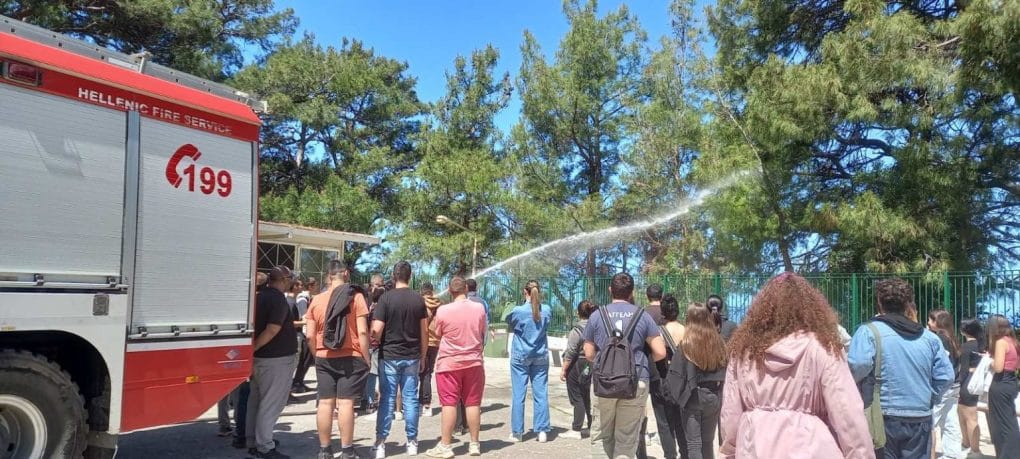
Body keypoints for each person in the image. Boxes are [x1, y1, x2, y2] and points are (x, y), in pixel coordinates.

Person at [722, 272, 874, 459]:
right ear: (810, 309)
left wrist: (729, 451)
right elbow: (846, 412)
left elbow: (731, 412)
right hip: (811, 447)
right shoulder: (822, 348)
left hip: (753, 447)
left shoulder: (744, 352)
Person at [849, 278, 954, 458]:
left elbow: (858, 365)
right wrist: (929, 397)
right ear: (908, 304)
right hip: (920, 414)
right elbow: (946, 376)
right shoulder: (930, 338)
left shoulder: (868, 332)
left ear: (879, 302)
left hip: (882, 415)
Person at [583, 272, 668, 459]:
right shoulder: (642, 316)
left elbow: (588, 352)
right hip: (635, 380)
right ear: (632, 292)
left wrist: (604, 363)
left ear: (610, 290)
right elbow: (660, 352)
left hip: (603, 382)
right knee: (626, 439)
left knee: (601, 435)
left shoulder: (597, 315)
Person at [305, 260, 371, 459]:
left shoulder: (316, 300)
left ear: (328, 275)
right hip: (351, 356)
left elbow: (309, 335)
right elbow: (362, 331)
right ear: (346, 274)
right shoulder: (356, 297)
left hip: (323, 355)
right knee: (346, 404)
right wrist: (366, 357)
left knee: (325, 403)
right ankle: (347, 451)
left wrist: (317, 354)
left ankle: (325, 450)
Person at [424, 276, 488, 458]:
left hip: (449, 363)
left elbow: (438, 333)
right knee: (473, 403)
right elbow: (482, 331)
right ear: (466, 288)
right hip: (474, 361)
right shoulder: (479, 308)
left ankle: (446, 445)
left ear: (450, 291)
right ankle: (474, 444)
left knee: (449, 404)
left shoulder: (443, 311)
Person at [371, 261, 428, 458]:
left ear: (394, 276)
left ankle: (380, 443)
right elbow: (424, 331)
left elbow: (377, 330)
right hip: (412, 355)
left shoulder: (385, 299)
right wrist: (423, 355)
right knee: (410, 399)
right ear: (410, 276)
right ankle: (412, 442)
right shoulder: (418, 299)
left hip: (389, 355)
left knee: (387, 398)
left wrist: (373, 339)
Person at [245, 266, 298, 458]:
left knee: (255, 401)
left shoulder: (259, 297)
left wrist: (252, 351)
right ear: (283, 280)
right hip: (276, 360)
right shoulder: (278, 299)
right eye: (290, 278)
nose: (292, 281)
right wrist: (255, 347)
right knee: (271, 404)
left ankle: (253, 440)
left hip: (260, 360)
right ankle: (265, 446)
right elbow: (272, 329)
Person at [665, 302, 726, 459]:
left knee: (693, 444)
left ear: (689, 320)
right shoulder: (718, 342)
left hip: (692, 397)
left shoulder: (686, 345)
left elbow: (676, 374)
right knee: (708, 442)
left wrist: (677, 398)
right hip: (713, 396)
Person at [506, 279, 552, 442]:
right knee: (541, 393)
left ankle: (517, 432)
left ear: (525, 292)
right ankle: (542, 430)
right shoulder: (547, 309)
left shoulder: (518, 310)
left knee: (519, 394)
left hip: (521, 355)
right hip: (540, 355)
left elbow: (509, 321)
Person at [651, 294, 685, 459]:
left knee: (664, 423)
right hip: (682, 381)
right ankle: (685, 454)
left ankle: (670, 455)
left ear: (663, 313)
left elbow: (654, 356)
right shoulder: (686, 330)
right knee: (681, 422)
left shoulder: (658, 333)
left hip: (663, 379)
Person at [926, 309, 962, 459]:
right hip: (955, 385)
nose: (928, 322)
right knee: (950, 420)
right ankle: (952, 454)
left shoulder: (939, 339)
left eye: (930, 320)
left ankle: (930, 454)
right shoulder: (952, 338)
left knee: (932, 422)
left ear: (937, 322)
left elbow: (941, 364)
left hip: (943, 386)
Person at [985, 314, 1020, 457]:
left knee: (1000, 424)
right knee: (1010, 420)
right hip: (1011, 381)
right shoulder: (1013, 341)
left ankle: (1007, 454)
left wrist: (988, 360)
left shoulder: (1000, 342)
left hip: (1000, 383)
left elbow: (998, 367)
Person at [561, 299, 596, 439]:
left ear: (578, 313)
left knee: (577, 397)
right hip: (591, 363)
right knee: (587, 396)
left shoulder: (576, 330)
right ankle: (592, 426)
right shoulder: (596, 327)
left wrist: (564, 369)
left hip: (577, 364)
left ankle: (576, 428)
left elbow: (570, 352)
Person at [957, 318, 985, 458]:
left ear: (964, 331)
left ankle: (971, 448)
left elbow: (963, 371)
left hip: (968, 383)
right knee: (971, 417)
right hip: (981, 382)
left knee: (966, 417)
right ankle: (972, 448)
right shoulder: (983, 345)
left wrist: (958, 386)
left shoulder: (966, 347)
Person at [419, 282, 442, 417]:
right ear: (432, 291)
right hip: (435, 342)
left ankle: (421, 402)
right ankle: (426, 404)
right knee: (428, 373)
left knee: (418, 373)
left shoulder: (419, 304)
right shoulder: (440, 305)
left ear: (422, 291)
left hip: (421, 342)